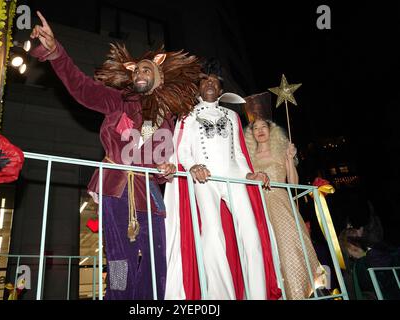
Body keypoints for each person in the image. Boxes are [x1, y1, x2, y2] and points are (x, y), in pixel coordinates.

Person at [29, 11, 201, 299]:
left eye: (147, 70)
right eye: (137, 71)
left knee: (155, 258)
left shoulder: (171, 118)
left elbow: (170, 159)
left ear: (158, 77)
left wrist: (168, 169)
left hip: (151, 194)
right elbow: (81, 88)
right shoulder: (118, 100)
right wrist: (56, 52)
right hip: (116, 186)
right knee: (120, 259)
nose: (140, 74)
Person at [164, 59, 280, 300]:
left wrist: (250, 174)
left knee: (251, 235)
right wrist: (192, 165)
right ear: (198, 87)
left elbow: (238, 154)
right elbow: (182, 150)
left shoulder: (232, 116)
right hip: (203, 180)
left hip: (235, 179)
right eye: (205, 80)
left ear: (220, 89)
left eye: (214, 82)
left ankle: (257, 295)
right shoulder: (187, 115)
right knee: (213, 237)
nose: (209, 84)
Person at [244, 104, 326, 300]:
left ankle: (298, 291)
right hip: (257, 204)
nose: (260, 131)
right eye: (255, 128)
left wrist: (290, 158)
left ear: (271, 131)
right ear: (251, 134)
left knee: (289, 246)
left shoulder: (282, 151)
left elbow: (294, 183)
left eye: (264, 127)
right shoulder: (249, 156)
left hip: (280, 202)